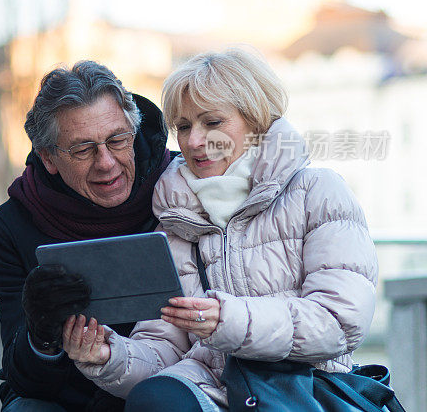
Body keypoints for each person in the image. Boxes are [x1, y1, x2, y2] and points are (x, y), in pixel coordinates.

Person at [62, 48, 378, 411]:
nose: (194, 141)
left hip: (303, 386)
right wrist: (106, 356)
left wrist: (226, 320)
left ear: (256, 123)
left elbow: (339, 320)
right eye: (183, 127)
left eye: (212, 122)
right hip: (213, 385)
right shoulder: (174, 220)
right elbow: (165, 345)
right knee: (153, 399)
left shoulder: (317, 191)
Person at [0, 60, 174, 412]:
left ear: (133, 132)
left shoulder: (182, 186)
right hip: (66, 397)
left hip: (172, 383)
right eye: (83, 150)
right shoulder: (10, 226)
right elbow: (22, 377)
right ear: (48, 157)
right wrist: (42, 332)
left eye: (117, 140)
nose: (106, 162)